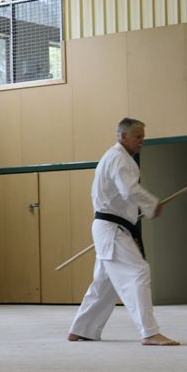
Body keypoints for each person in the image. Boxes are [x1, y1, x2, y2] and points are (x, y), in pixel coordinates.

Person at [67, 118, 179, 346]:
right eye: (138, 137)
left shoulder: (114, 157)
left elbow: (122, 194)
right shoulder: (119, 158)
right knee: (138, 272)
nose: (142, 141)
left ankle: (81, 329)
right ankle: (149, 333)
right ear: (123, 136)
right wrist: (152, 204)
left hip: (109, 227)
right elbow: (128, 189)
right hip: (111, 228)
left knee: (104, 282)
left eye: (143, 137)